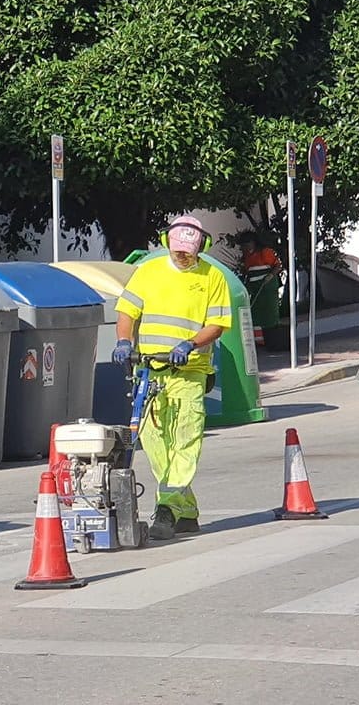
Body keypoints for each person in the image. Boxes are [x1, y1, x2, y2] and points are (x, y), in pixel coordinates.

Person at [112, 215, 231, 540]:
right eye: (178, 250)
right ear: (167, 243)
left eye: (188, 252)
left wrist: (191, 343)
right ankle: (187, 512)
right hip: (149, 371)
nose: (182, 256)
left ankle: (165, 509)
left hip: (190, 372)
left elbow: (217, 324)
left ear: (201, 247)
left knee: (185, 441)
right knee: (154, 443)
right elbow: (127, 312)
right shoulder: (148, 272)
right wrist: (124, 341)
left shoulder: (213, 277)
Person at [237, 231, 283, 346]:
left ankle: (272, 338)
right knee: (255, 313)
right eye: (243, 245)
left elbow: (277, 266)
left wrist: (271, 275)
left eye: (246, 244)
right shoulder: (246, 256)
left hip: (267, 286)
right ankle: (259, 341)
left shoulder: (265, 252)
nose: (245, 247)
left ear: (253, 242)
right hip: (254, 287)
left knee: (270, 312)